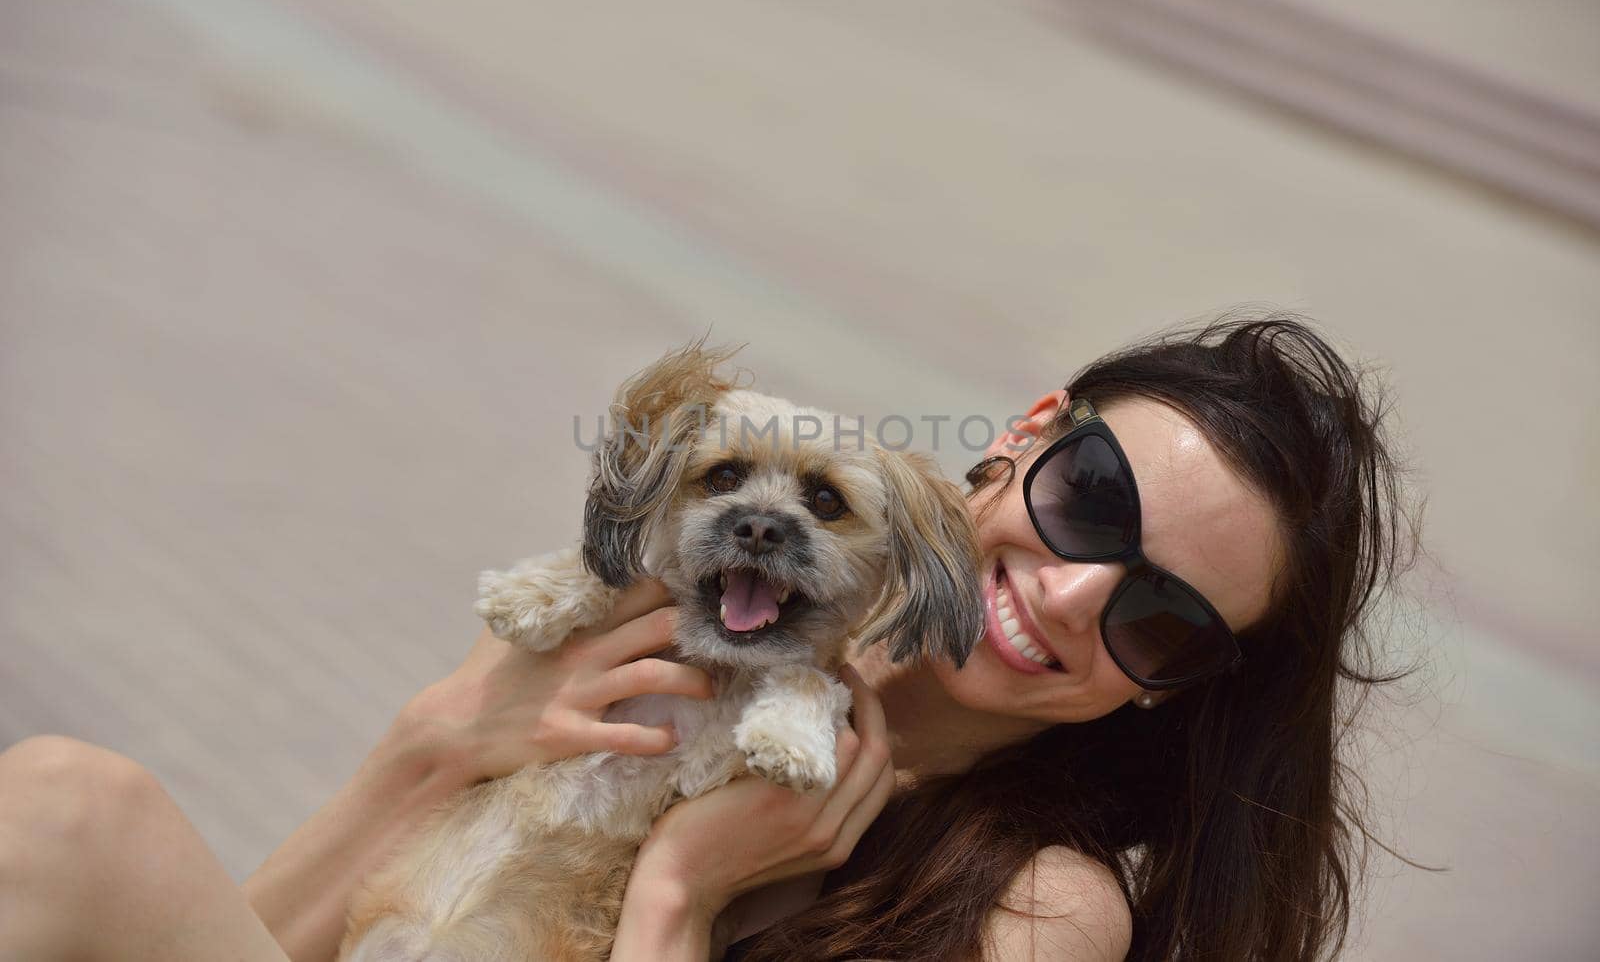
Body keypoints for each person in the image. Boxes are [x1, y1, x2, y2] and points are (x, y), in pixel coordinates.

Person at [0, 314, 1418, 961]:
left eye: (1162, 621)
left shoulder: (1042, 911)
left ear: (1182, 692)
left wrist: (677, 894)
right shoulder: (667, 646)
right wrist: (433, 749)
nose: (1068, 596)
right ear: (1030, 434)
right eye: (1091, 501)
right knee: (75, 814)